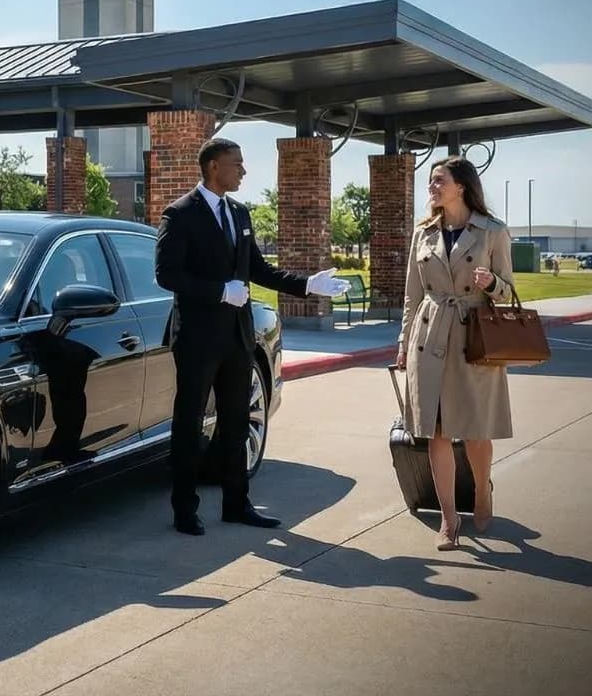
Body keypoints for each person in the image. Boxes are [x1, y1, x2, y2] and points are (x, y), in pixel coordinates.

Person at [154, 137, 349, 535]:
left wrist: (308, 284)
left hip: (238, 337)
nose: (243, 170)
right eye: (236, 163)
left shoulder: (240, 213)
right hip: (198, 338)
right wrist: (219, 291)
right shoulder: (180, 215)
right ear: (213, 167)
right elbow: (166, 274)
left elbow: (258, 270)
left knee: (237, 421)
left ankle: (237, 503)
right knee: (189, 423)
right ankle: (185, 511)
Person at [395, 156, 515, 550]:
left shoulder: (493, 232)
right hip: (429, 339)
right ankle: (449, 518)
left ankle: (482, 491)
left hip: (473, 337)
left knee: (476, 429)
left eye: (438, 180)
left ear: (460, 186)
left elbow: (510, 291)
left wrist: (492, 282)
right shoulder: (423, 233)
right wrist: (403, 345)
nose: (431, 186)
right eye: (430, 181)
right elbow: (412, 295)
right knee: (437, 430)